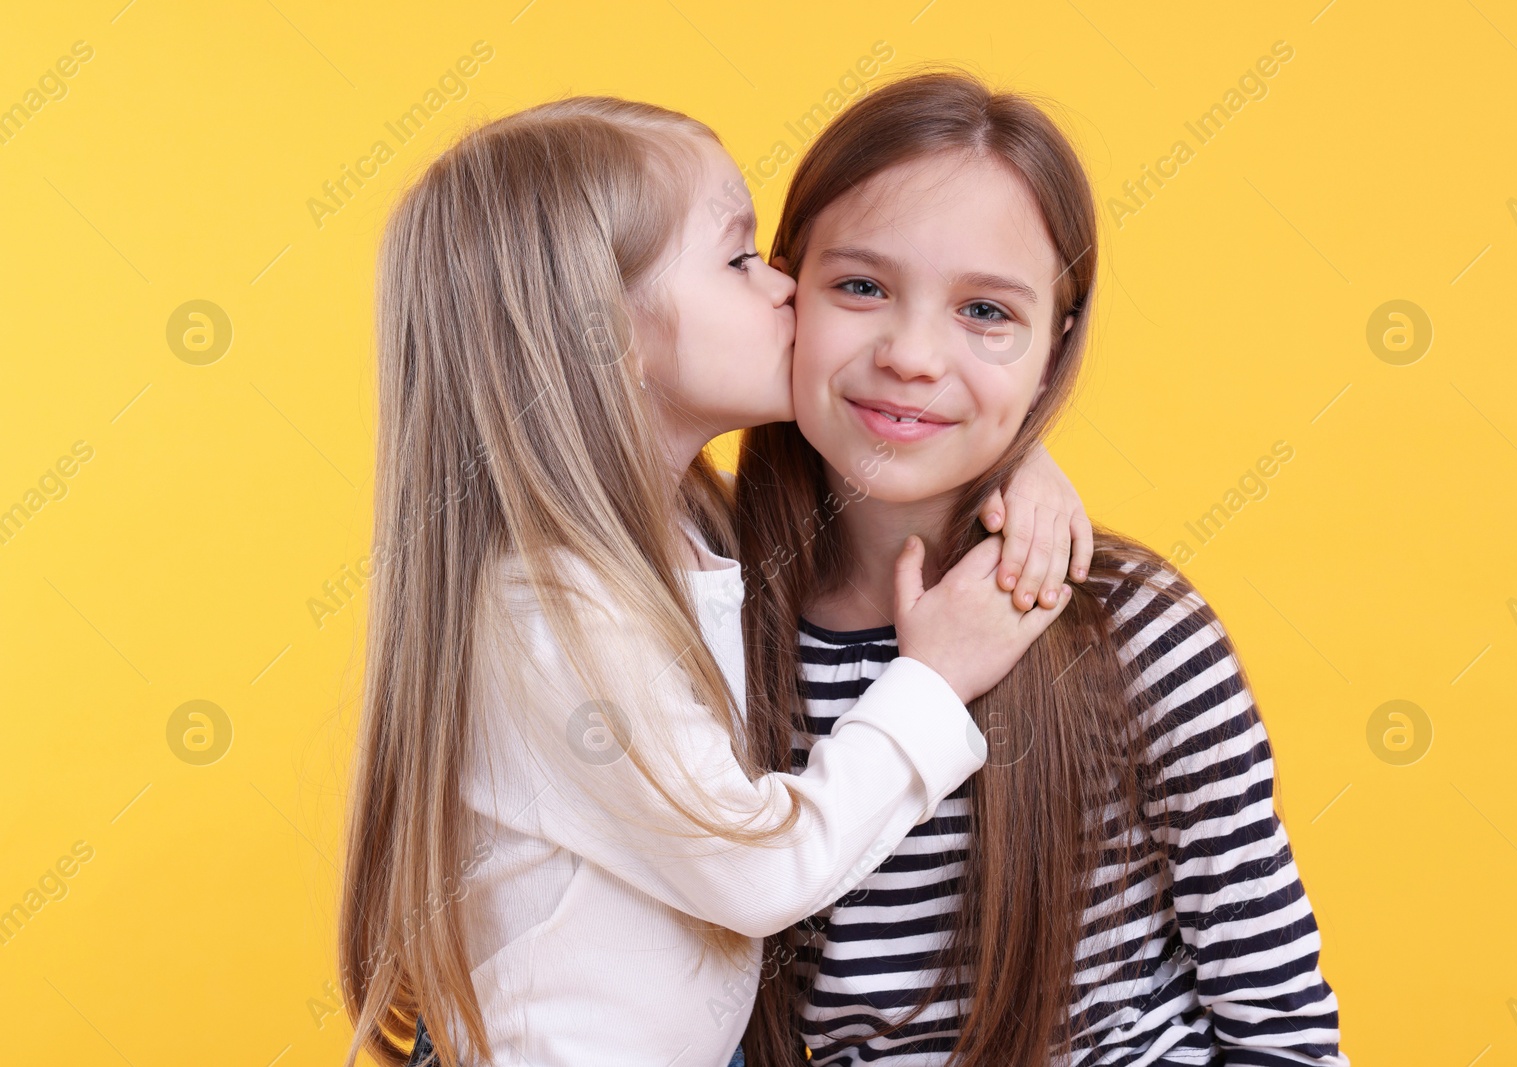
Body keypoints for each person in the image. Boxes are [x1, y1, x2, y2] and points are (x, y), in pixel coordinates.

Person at [339, 95, 1096, 1067]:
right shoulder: (551, 614)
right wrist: (935, 678)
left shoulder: (682, 531)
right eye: (739, 259)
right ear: (608, 333)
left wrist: (1004, 458)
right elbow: (757, 867)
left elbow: (888, 461)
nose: (784, 286)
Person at [736, 71, 1348, 1066]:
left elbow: (1281, 1027)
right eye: (860, 286)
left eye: (985, 311)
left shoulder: (1134, 629)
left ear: (1053, 348)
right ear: (782, 293)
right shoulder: (700, 619)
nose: (913, 355)